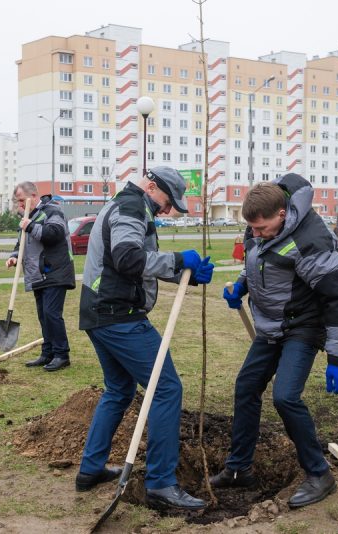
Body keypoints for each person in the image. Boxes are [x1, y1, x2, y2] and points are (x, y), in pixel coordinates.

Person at [75, 167, 215, 511]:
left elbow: (129, 267)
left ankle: (90, 468)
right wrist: (181, 259)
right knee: (166, 389)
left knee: (119, 389)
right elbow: (127, 259)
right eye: (168, 203)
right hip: (118, 318)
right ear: (151, 187)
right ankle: (161, 485)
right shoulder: (131, 208)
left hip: (98, 313)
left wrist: (186, 274)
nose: (167, 211)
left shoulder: (125, 205)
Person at [214, 175, 338, 508]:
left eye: (262, 228)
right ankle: (239, 469)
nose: (256, 234)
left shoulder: (310, 241)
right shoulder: (260, 228)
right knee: (246, 387)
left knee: (286, 397)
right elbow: (257, 262)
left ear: (282, 213)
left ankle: (319, 474)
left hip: (303, 327)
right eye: (252, 229)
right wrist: (240, 286)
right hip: (271, 327)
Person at [5, 181, 75, 372]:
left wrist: (30, 226)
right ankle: (48, 353)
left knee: (52, 314)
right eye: (17, 202)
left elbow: (55, 233)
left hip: (55, 271)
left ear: (33, 196)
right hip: (38, 274)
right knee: (44, 315)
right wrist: (13, 258)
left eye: (21, 200)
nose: (19, 205)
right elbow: (21, 245)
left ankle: (62, 354)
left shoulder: (52, 211)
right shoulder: (28, 217)